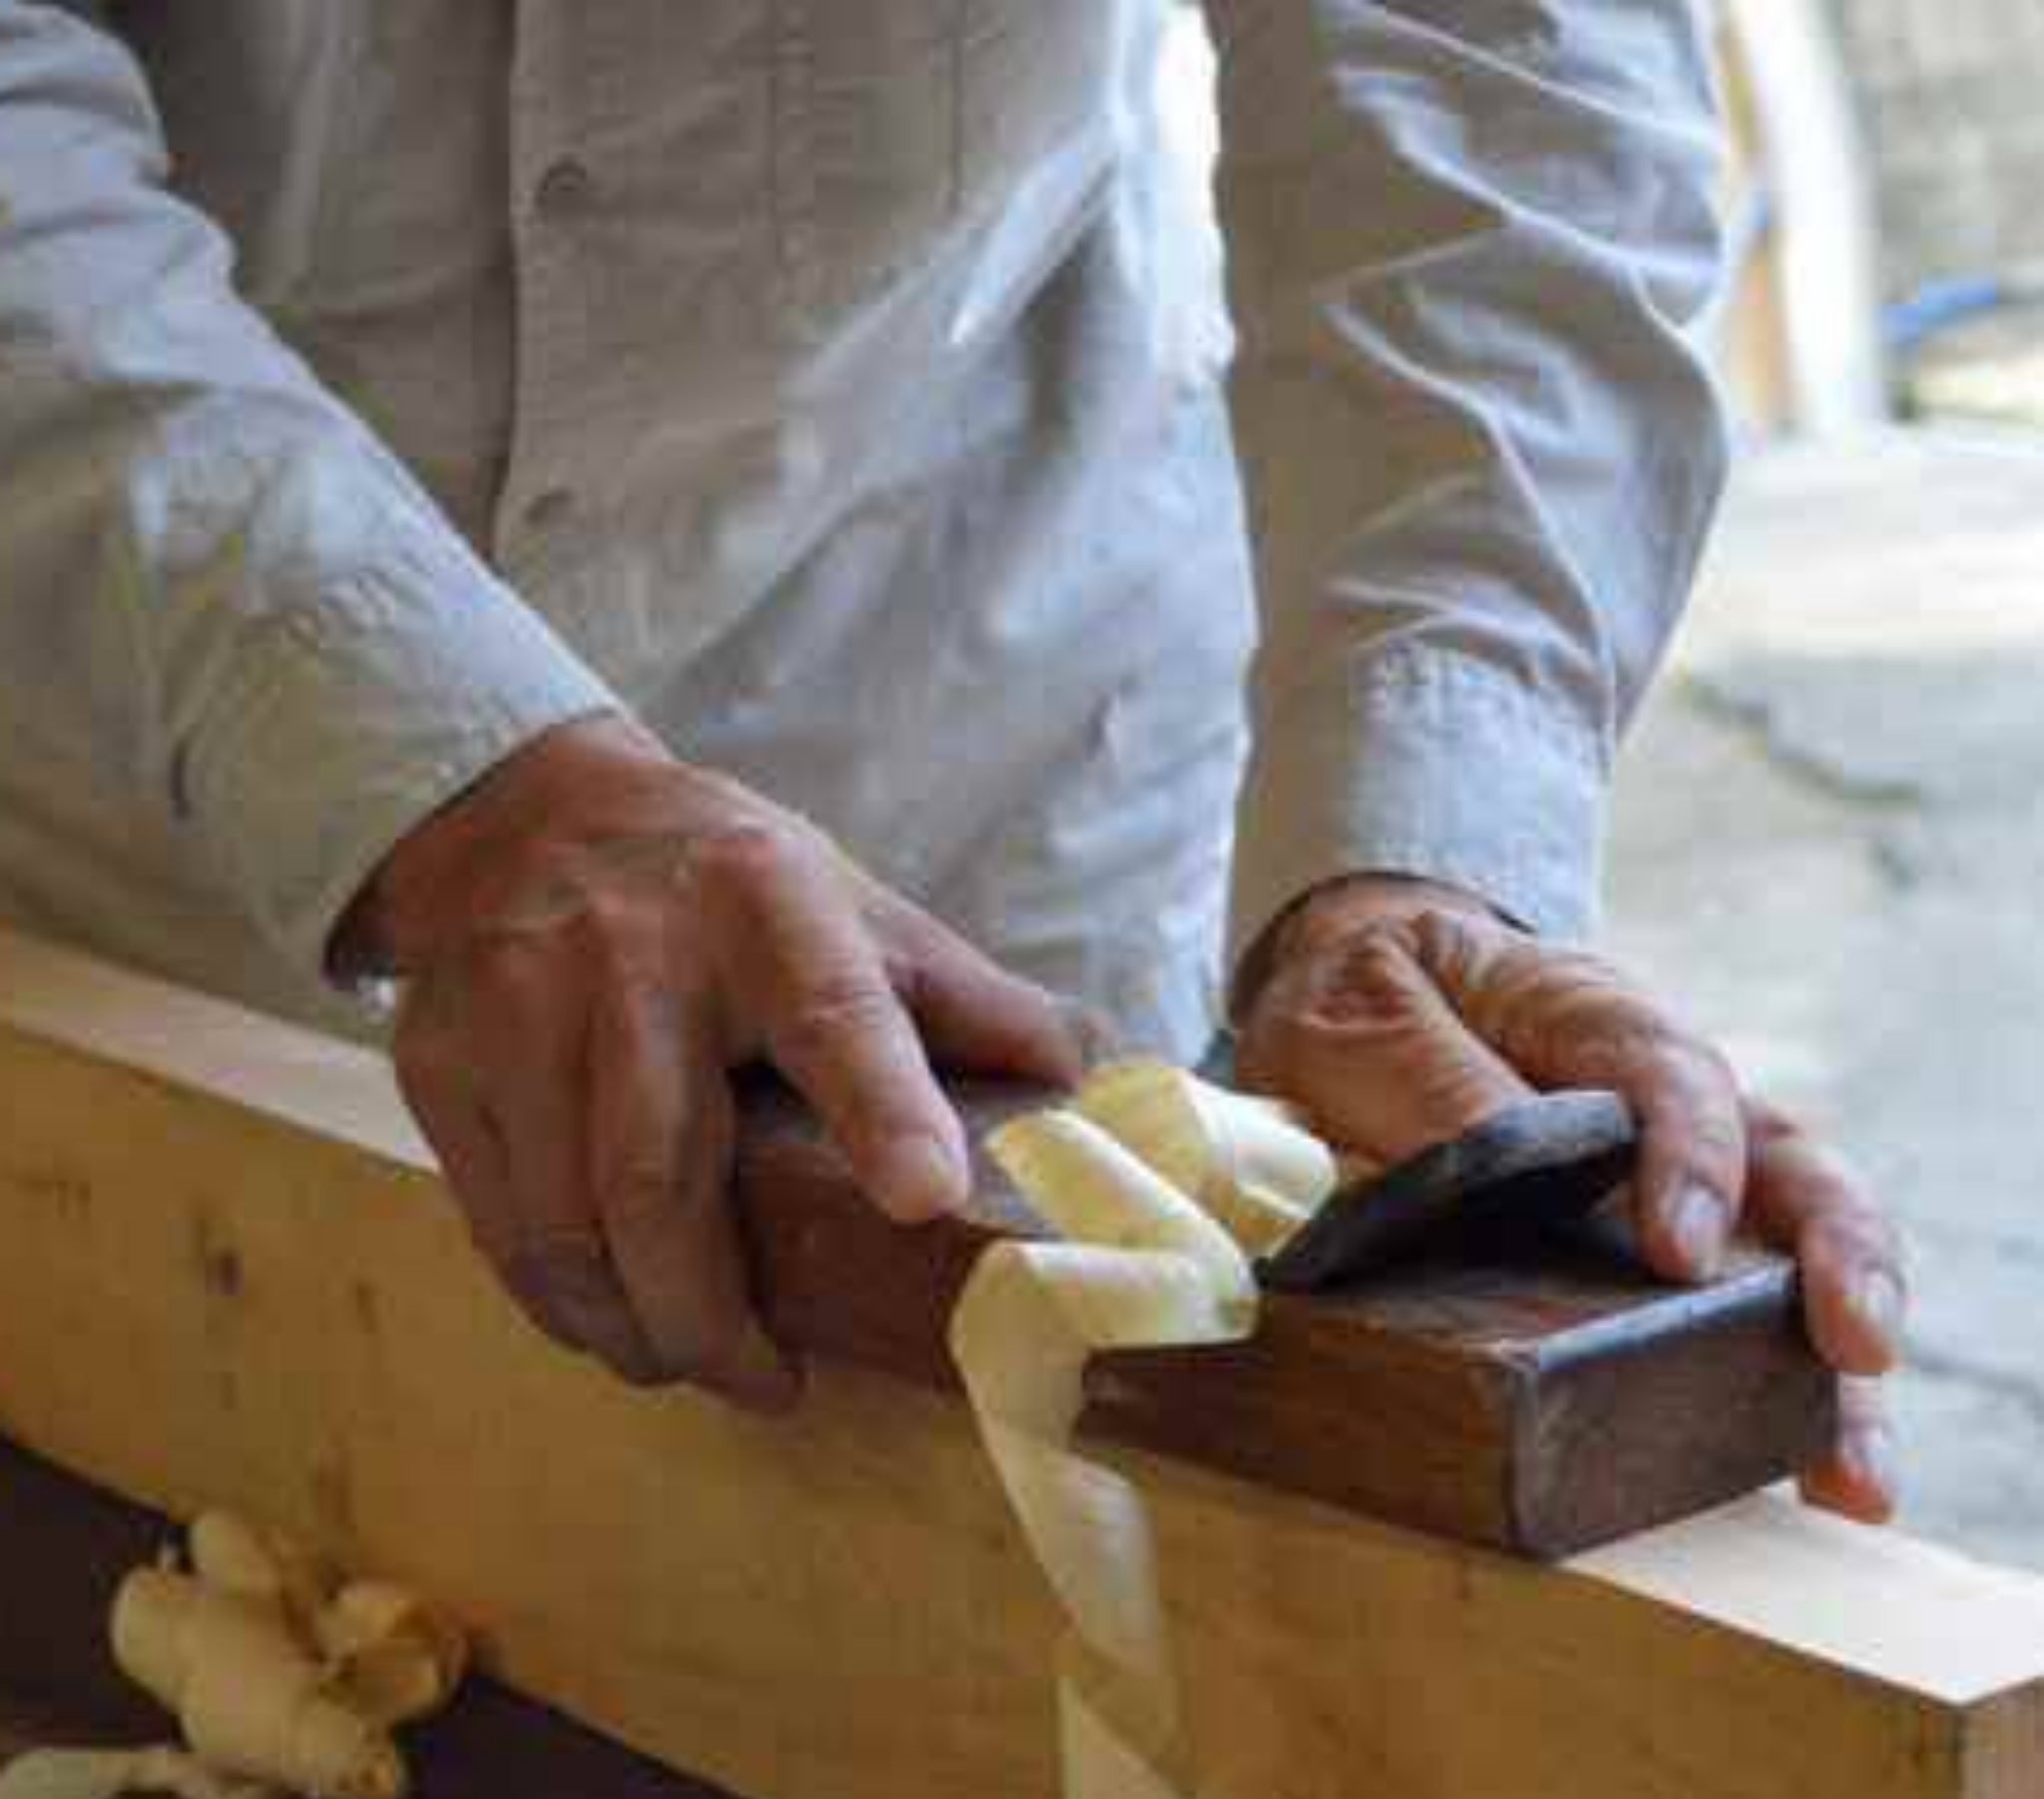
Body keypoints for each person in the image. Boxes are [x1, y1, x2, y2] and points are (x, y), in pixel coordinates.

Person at [0, 2, 1900, 1510]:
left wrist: (1425, 828)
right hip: (145, 829)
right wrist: (402, 738)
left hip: (982, 754)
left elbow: (1487, 41)